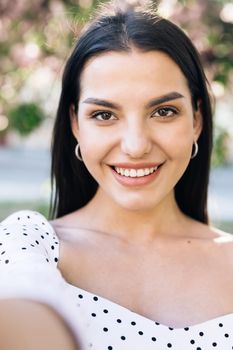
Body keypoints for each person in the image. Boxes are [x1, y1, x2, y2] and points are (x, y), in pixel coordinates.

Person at [1, 1, 233, 349]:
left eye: (164, 111)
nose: (136, 145)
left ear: (197, 120)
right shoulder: (31, 244)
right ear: (75, 124)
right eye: (105, 115)